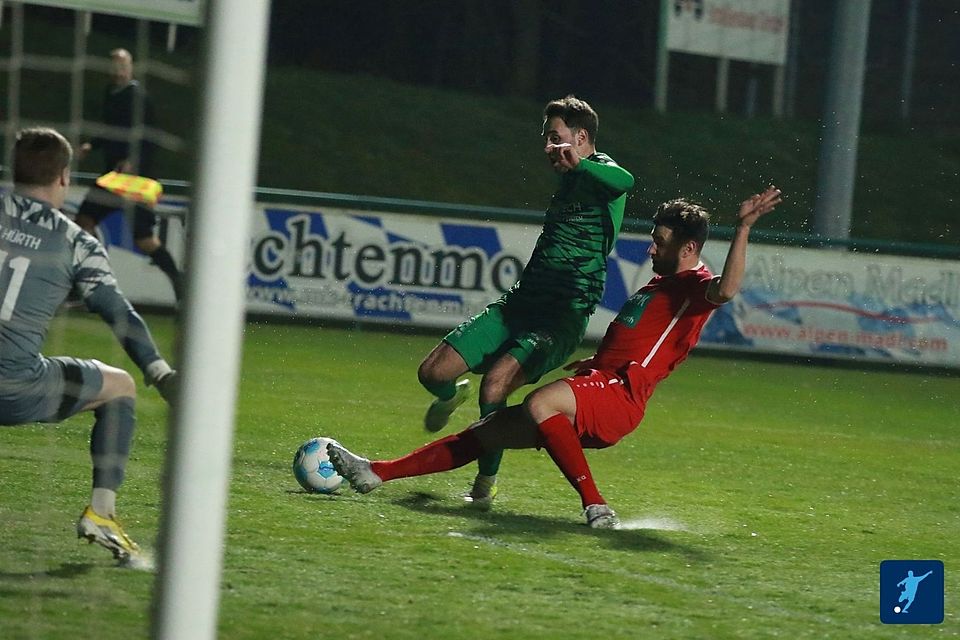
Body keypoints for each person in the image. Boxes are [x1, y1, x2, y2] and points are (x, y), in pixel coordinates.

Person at [328, 186, 782, 528]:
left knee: (540, 403)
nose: (650, 248)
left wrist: (742, 229)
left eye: (659, 241)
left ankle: (595, 505)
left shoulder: (692, 284)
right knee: (486, 432)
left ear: (687, 248)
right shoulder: (662, 284)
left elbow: (726, 290)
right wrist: (590, 366)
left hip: (620, 395)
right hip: (600, 384)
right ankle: (375, 474)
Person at [417, 95, 635, 507]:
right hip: (517, 305)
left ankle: (484, 485)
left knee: (496, 382)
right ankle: (450, 396)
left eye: (557, 139)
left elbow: (627, 181)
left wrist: (580, 162)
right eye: (546, 139)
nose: (549, 148)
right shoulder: (570, 178)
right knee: (431, 373)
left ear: (582, 137)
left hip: (558, 319)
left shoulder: (602, 172)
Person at [0, 127, 178, 564]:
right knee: (119, 387)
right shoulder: (78, 242)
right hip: (14, 387)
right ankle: (102, 513)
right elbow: (120, 314)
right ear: (63, 177)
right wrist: (159, 371)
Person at [75, 48, 183, 301]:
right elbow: (109, 129)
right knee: (84, 222)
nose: (118, 70)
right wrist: (93, 145)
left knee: (144, 240)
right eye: (114, 65)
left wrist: (133, 160)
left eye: (122, 65)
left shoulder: (137, 96)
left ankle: (180, 285)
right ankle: (90, 281)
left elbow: (149, 136)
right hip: (113, 177)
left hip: (136, 180)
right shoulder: (111, 94)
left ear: (130, 68)